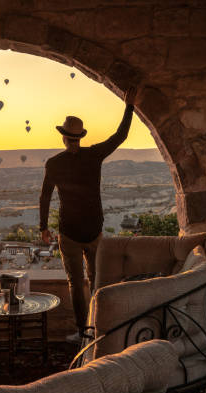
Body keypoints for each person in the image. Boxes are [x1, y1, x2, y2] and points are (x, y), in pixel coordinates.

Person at [39, 86, 138, 343]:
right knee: (96, 282)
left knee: (76, 284)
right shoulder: (93, 155)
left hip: (69, 232)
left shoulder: (54, 163)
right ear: (79, 136)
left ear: (63, 136)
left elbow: (45, 196)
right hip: (93, 230)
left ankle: (83, 332)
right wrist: (129, 106)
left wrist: (43, 228)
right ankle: (97, 330)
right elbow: (120, 136)